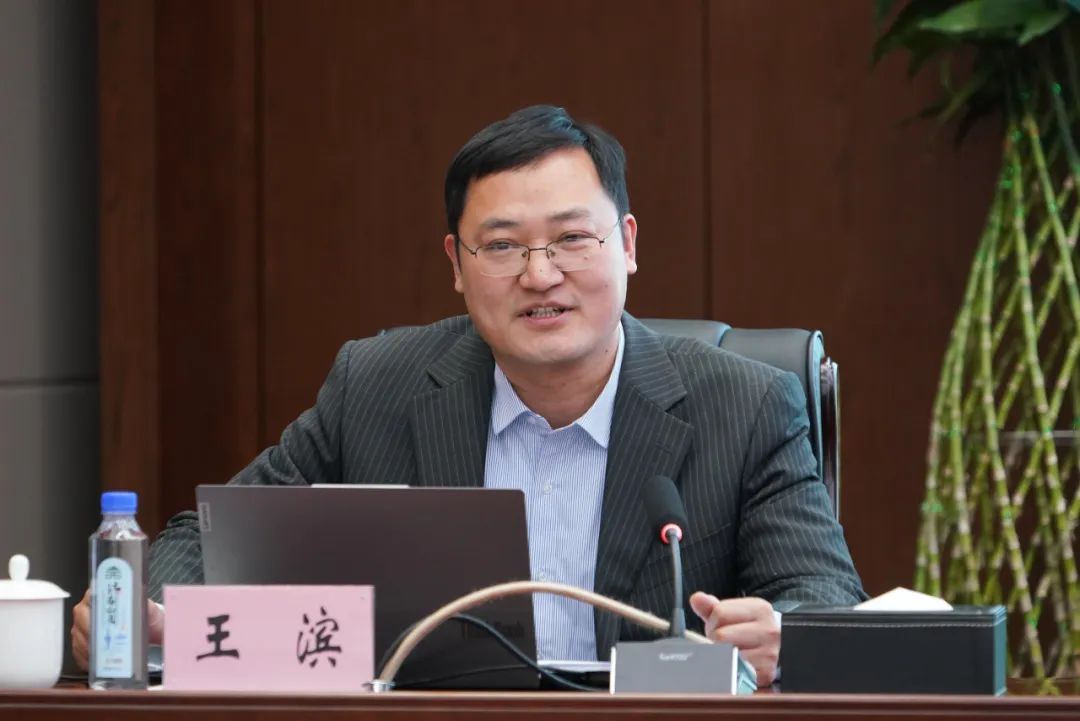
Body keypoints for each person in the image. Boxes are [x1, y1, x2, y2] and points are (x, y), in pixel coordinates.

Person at [73, 105, 865, 684]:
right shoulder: (377, 385)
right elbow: (213, 536)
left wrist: (782, 631)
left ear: (626, 244)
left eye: (571, 238)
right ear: (456, 263)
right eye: (503, 245)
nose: (540, 274)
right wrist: (143, 605)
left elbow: (826, 597)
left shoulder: (746, 406)